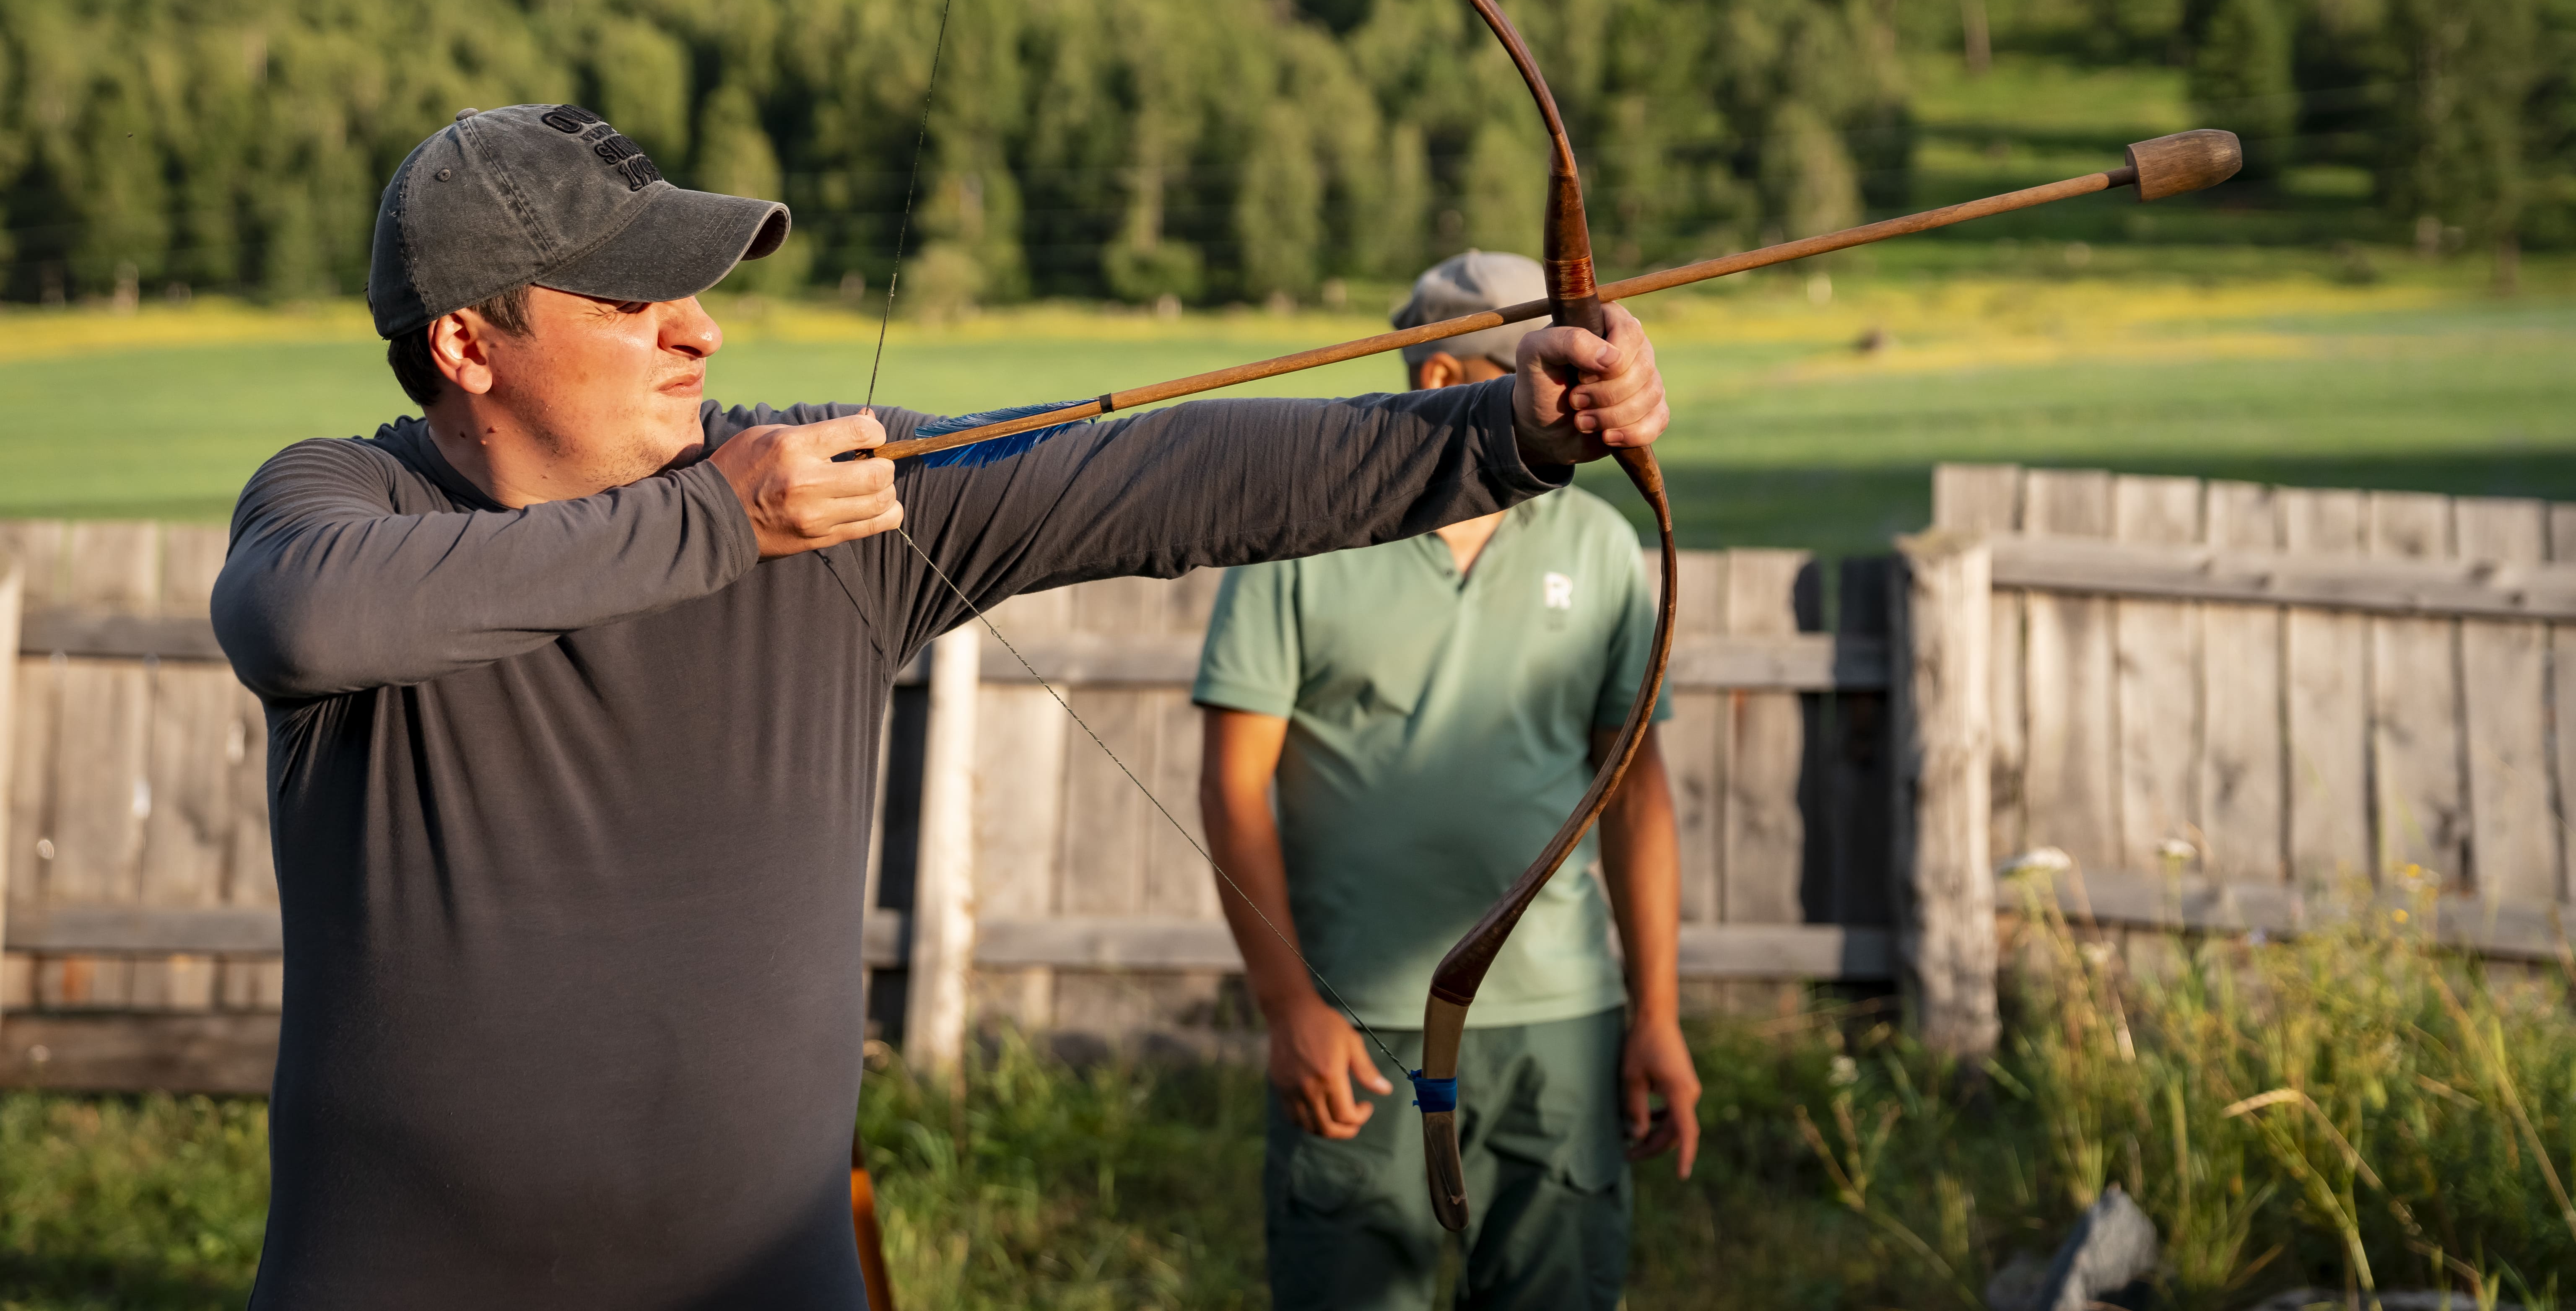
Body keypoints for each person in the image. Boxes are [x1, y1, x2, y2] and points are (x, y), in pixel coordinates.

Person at [208, 104, 1670, 1310]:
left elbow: (1163, 479)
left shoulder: (820, 497)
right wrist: (719, 525)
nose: (699, 335)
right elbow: (303, 620)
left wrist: (1507, 429)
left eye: (694, 292)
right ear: (467, 345)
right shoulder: (350, 499)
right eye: (631, 302)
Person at [1193, 250, 1702, 1311]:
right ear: (1440, 379)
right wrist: (1289, 1005)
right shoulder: (1301, 536)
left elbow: (1634, 795)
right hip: (1358, 1023)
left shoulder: (1600, 544)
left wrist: (1656, 1012)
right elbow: (1235, 790)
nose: (1581, 403)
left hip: (1562, 1021)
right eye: (1546, 373)